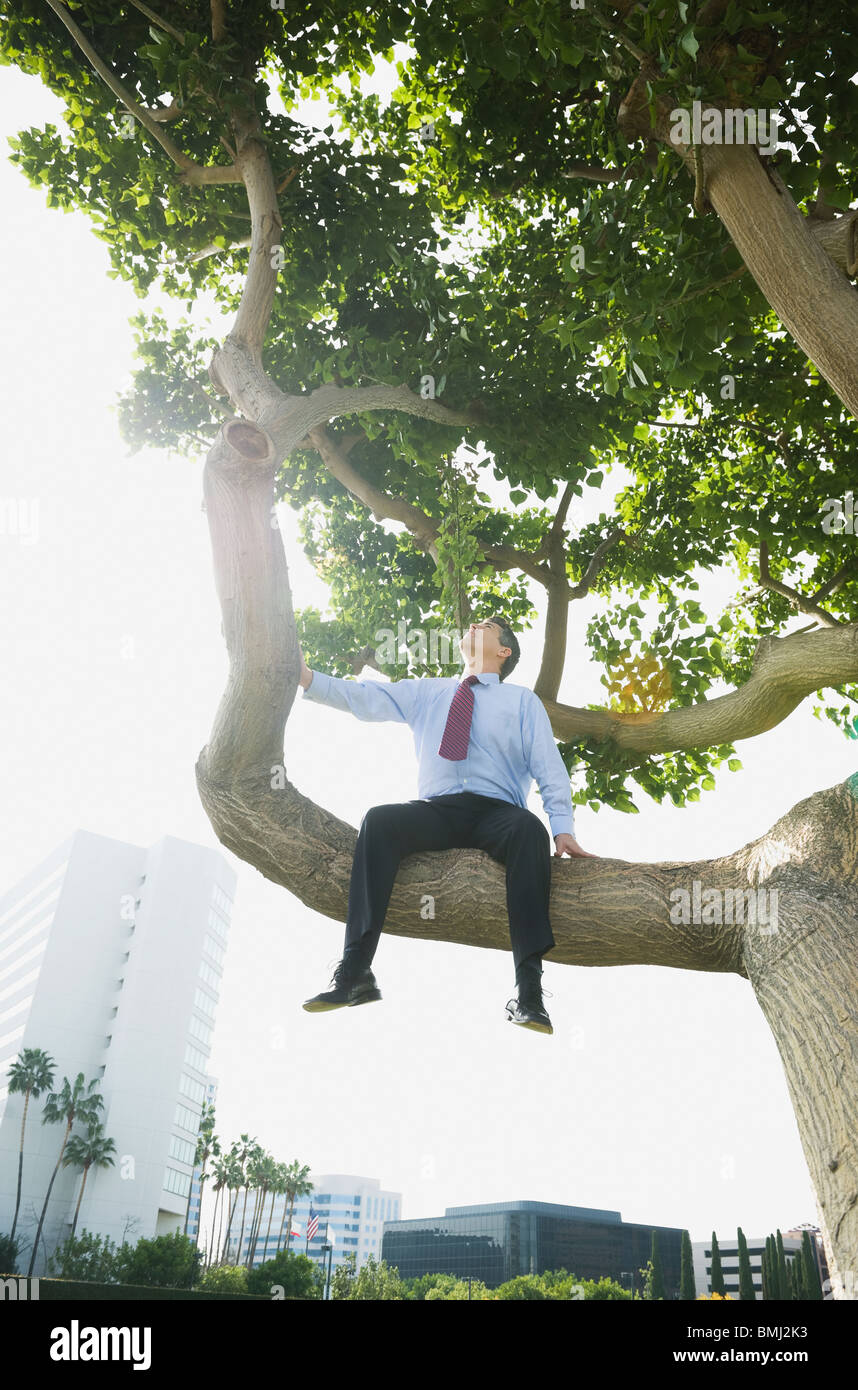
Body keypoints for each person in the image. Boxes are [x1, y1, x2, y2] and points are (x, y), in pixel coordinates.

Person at [298, 616, 597, 1034]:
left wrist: (562, 827)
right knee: (380, 820)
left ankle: (529, 992)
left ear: (504, 650)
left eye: (488, 625)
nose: (475, 623)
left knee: (530, 830)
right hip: (437, 811)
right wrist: (308, 678)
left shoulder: (522, 702)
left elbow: (549, 766)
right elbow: (366, 697)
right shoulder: (431, 690)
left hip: (498, 815)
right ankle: (355, 973)